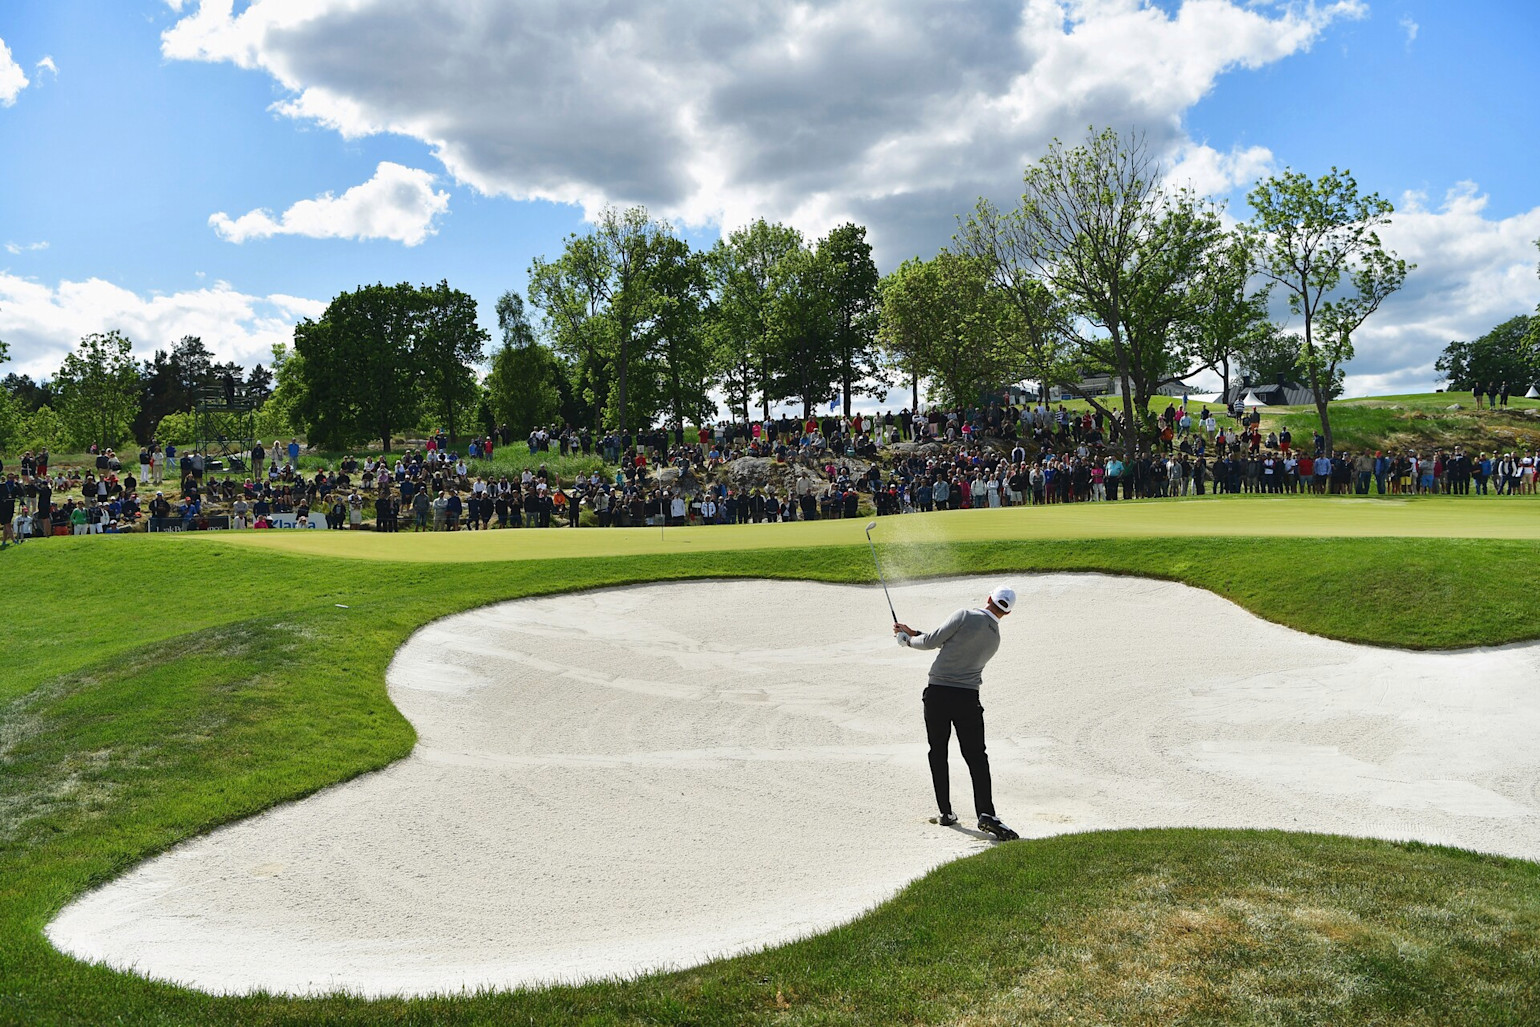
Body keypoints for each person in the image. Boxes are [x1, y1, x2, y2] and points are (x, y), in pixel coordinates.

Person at [892, 584, 1020, 841]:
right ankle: (986, 813)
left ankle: (946, 812)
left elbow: (932, 642)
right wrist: (913, 632)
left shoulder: (964, 615)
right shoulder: (994, 638)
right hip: (967, 699)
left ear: (988, 598)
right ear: (1006, 613)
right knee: (976, 756)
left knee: (938, 751)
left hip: (938, 695)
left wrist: (907, 641)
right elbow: (948, 643)